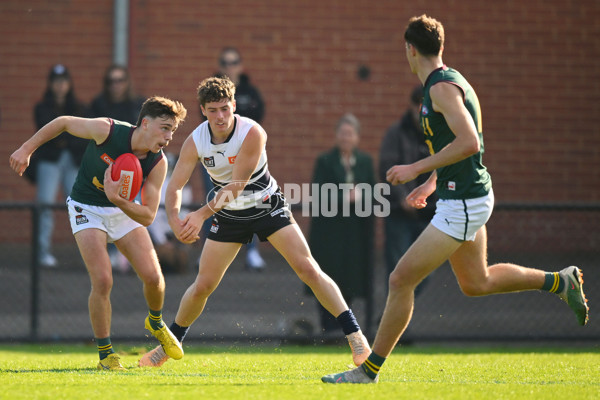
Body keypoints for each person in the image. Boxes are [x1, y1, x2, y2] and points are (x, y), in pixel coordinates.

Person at [322, 14, 589, 384]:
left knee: (400, 279)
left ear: (410, 50)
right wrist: (432, 182)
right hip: (463, 196)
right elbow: (457, 144)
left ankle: (368, 371)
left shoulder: (440, 89)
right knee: (476, 282)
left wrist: (415, 168)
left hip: (463, 202)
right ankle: (560, 282)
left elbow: (470, 143)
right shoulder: (450, 81)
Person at [138, 76, 371, 368]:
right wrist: (174, 219)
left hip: (266, 207)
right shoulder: (196, 139)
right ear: (203, 110)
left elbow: (236, 186)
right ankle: (166, 347)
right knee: (203, 285)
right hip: (229, 215)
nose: (220, 116)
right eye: (213, 110)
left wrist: (198, 215)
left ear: (234, 105)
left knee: (308, 268)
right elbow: (174, 187)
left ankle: (356, 337)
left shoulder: (252, 132)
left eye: (225, 108)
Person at [10, 96, 188, 371]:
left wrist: (119, 201)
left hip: (123, 210)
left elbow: (149, 214)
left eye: (172, 131)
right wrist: (26, 148)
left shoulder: (158, 162)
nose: (168, 137)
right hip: (87, 207)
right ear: (144, 123)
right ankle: (106, 354)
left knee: (154, 278)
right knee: (103, 279)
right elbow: (64, 122)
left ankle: (155, 321)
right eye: (164, 128)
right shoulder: (108, 130)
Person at [309, 113, 375, 335]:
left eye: (350, 134)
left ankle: (345, 329)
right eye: (342, 133)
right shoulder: (325, 161)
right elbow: (318, 194)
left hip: (354, 233)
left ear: (357, 137)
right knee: (326, 275)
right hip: (329, 232)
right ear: (336, 136)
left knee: (351, 279)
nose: (346, 138)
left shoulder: (365, 162)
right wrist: (346, 197)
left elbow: (373, 194)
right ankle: (327, 328)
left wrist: (360, 196)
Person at [201, 47, 267, 270]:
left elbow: (258, 120)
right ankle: (209, 254)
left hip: (245, 157)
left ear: (240, 65)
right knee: (214, 199)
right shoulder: (210, 90)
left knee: (251, 202)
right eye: (225, 62)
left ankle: (252, 252)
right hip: (216, 155)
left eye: (234, 62)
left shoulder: (251, 92)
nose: (230, 66)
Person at [379, 86, 436, 295]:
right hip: (399, 214)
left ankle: (399, 313)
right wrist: (403, 197)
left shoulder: (438, 134)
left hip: (429, 213)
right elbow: (386, 167)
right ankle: (391, 318)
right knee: (398, 269)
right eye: (419, 105)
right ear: (412, 106)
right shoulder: (397, 133)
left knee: (425, 270)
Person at [89, 64, 146, 273]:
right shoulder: (99, 104)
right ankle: (108, 256)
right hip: (104, 166)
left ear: (127, 82)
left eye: (120, 80)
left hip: (132, 168)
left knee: (129, 208)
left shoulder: (138, 105)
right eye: (112, 81)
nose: (116, 85)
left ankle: (127, 255)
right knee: (103, 210)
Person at [31, 64, 88, 268]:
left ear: (69, 84)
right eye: (56, 82)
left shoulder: (79, 107)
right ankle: (42, 252)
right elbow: (47, 134)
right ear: (51, 84)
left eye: (63, 81)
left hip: (72, 160)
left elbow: (82, 135)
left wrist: (63, 137)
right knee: (45, 204)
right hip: (50, 161)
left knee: (78, 206)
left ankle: (87, 254)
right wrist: (66, 135)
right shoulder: (42, 107)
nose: (60, 86)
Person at [147, 151, 193, 274]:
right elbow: (154, 218)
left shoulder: (186, 188)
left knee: (181, 255)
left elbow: (184, 215)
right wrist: (162, 241)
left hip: (176, 231)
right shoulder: (157, 184)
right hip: (158, 230)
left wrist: (176, 237)